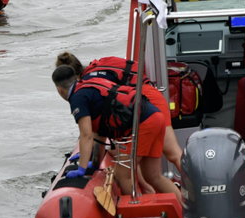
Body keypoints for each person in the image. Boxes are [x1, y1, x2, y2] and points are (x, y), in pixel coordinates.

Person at [52, 64, 182, 200]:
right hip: (155, 115)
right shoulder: (89, 85)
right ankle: (185, 211)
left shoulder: (77, 98)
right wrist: (95, 164)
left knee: (122, 174)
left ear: (59, 89)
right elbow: (99, 134)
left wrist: (82, 168)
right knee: (153, 176)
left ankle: (136, 211)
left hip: (144, 123)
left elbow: (86, 135)